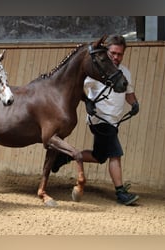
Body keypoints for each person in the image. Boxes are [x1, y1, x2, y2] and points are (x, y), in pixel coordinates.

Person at [53, 35, 140, 205]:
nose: (116, 57)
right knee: (115, 154)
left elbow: (128, 92)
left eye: (119, 54)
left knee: (99, 156)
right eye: (113, 53)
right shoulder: (95, 72)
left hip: (113, 121)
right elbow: (78, 90)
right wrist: (88, 103)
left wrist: (134, 103)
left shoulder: (125, 72)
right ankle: (121, 192)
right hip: (100, 120)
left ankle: (65, 157)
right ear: (107, 51)